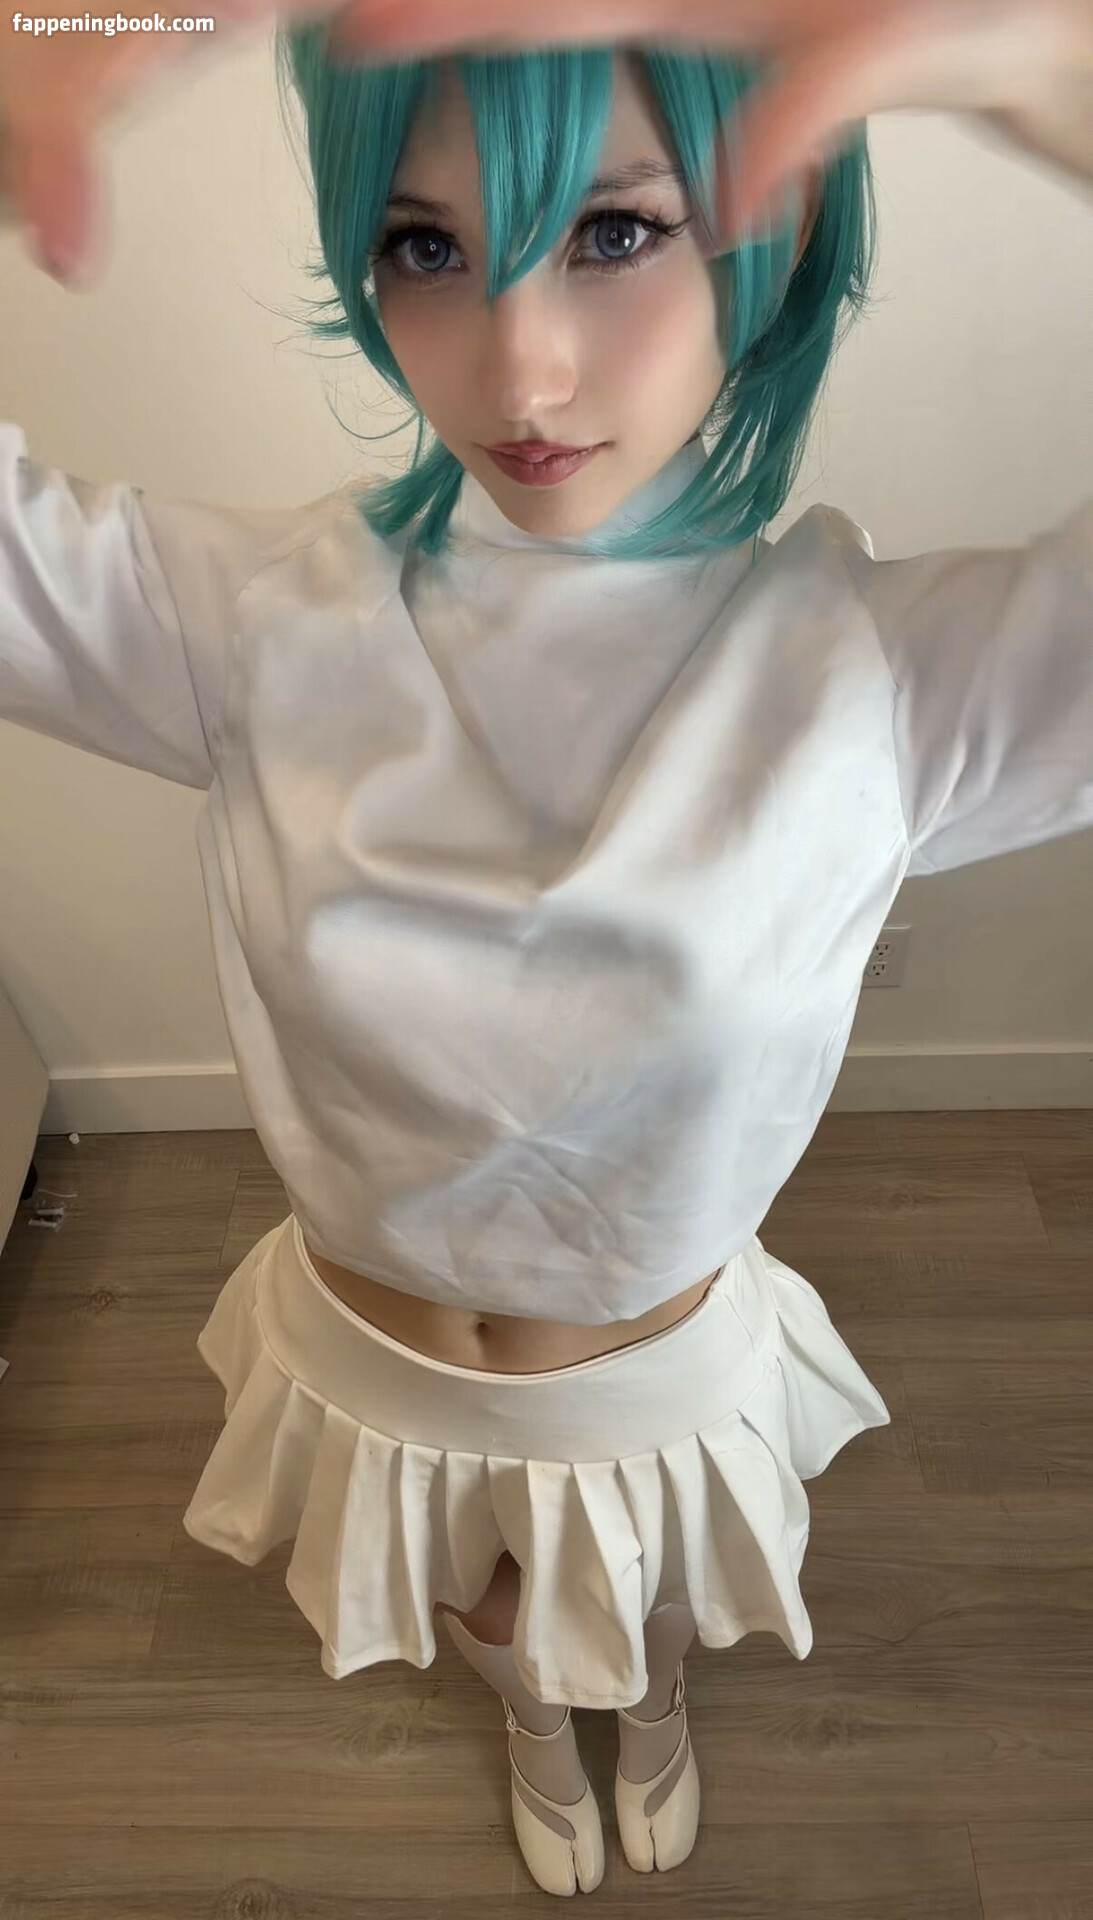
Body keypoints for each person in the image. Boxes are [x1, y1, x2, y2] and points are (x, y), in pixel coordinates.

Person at [1, 0, 1090, 1898]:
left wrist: (1054, 76)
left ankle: (643, 1708)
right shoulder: (252, 620)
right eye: (425, 248)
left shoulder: (880, 680)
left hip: (645, 1369)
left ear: (769, 237)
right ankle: (527, 1713)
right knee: (481, 1604)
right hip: (374, 1356)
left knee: (633, 1602)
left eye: (613, 231)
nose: (518, 364)